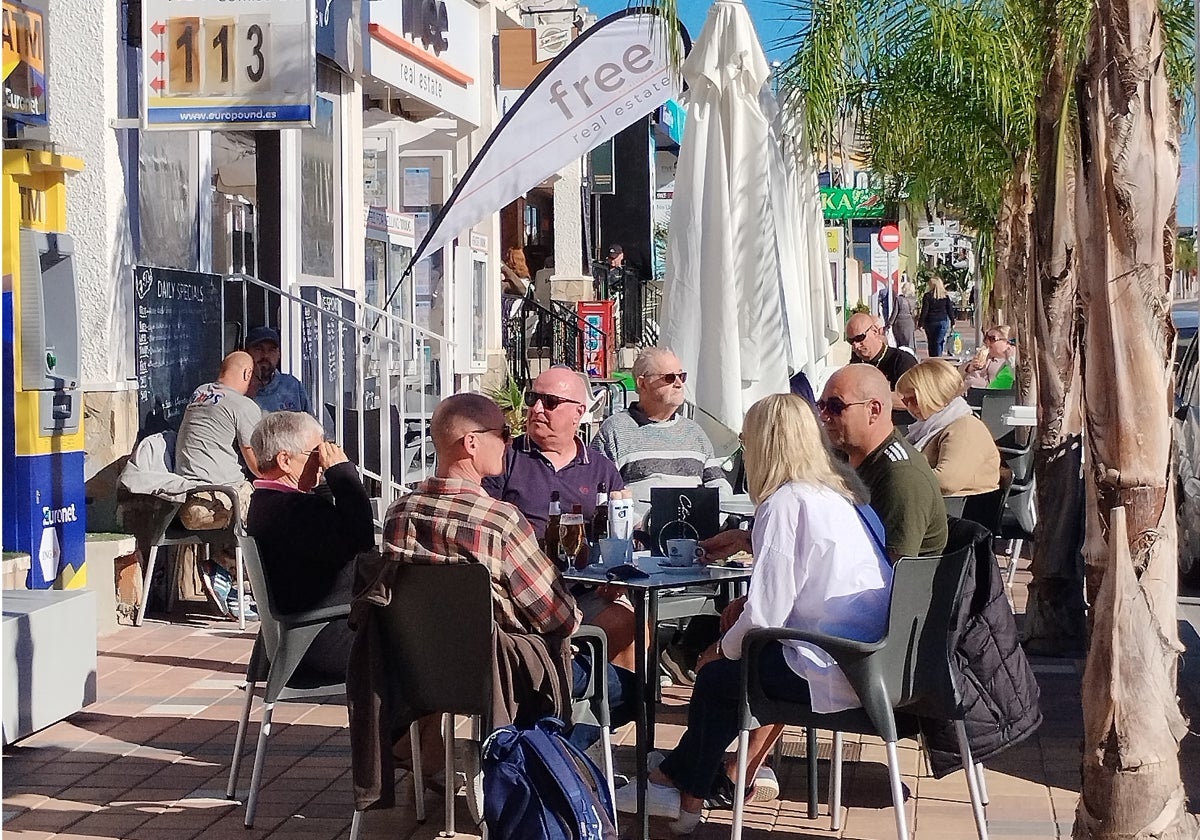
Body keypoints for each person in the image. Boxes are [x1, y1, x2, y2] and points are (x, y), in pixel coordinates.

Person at [616, 393, 894, 832]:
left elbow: (766, 615)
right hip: (878, 660)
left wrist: (720, 650)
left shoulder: (785, 502)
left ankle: (683, 797)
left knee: (718, 675)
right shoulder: (836, 495)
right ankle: (675, 778)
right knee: (731, 671)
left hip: (835, 664)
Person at [375, 393, 629, 746]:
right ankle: (547, 764)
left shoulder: (399, 514)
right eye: (504, 433)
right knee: (629, 691)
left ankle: (516, 757)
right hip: (503, 674)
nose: (510, 443)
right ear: (472, 443)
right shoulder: (499, 521)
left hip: (422, 671)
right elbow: (559, 618)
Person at [482, 367, 632, 668]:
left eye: (550, 402)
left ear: (578, 413)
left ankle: (618, 711)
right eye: (533, 398)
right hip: (521, 593)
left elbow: (621, 533)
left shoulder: (601, 468)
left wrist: (618, 575)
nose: (537, 409)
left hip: (584, 588)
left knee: (628, 623)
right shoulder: (505, 459)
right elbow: (487, 525)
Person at [245, 411, 374, 676]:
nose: (322, 463)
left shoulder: (266, 502)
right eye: (315, 455)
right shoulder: (295, 510)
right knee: (415, 644)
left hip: (297, 639)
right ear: (285, 460)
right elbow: (362, 540)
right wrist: (342, 474)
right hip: (319, 643)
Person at [819, 365, 948, 560]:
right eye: (821, 405)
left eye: (836, 407)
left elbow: (894, 572)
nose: (824, 415)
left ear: (873, 410)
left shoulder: (901, 476)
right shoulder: (843, 455)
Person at [593, 346, 732, 520]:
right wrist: (639, 527)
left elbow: (718, 484)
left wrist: (712, 519)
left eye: (681, 376)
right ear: (642, 383)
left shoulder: (694, 432)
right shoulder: (614, 430)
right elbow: (600, 492)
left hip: (695, 536)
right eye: (669, 377)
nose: (679, 384)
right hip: (640, 539)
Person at [174, 351, 263, 530]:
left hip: (184, 500)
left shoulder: (199, 393)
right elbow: (257, 466)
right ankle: (230, 557)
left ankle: (222, 557)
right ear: (247, 373)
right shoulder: (243, 405)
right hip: (218, 501)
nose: (256, 387)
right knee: (269, 508)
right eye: (256, 378)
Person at [896, 360, 1001, 497]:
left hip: (956, 510)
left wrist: (894, 477)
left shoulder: (965, 428)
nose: (909, 407)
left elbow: (947, 482)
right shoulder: (929, 427)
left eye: (914, 400)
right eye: (905, 401)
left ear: (933, 394)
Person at [245, 326, 312, 414]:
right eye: (259, 349)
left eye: (271, 350)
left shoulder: (292, 386)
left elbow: (312, 424)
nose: (265, 355)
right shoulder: (239, 389)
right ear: (246, 353)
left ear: (279, 354)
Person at [845, 311, 917, 390]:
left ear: (875, 331)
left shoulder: (902, 361)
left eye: (860, 338)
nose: (855, 346)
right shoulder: (855, 364)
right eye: (851, 341)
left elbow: (910, 397)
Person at [962, 325, 1018, 389]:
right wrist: (969, 368)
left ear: (1007, 341)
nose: (987, 342)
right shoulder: (987, 357)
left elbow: (1019, 377)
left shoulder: (1013, 362)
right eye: (986, 338)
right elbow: (958, 374)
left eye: (992, 339)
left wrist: (1010, 359)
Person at [918, 276, 956, 357]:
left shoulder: (927, 296)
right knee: (939, 342)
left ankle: (932, 359)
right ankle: (938, 359)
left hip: (930, 322)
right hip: (942, 321)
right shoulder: (945, 296)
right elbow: (950, 309)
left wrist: (920, 324)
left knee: (931, 342)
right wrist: (953, 321)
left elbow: (924, 311)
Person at [893, 280, 918, 350]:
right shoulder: (914, 300)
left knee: (899, 342)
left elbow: (895, 312)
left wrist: (889, 323)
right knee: (910, 342)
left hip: (898, 322)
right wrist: (916, 323)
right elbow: (915, 313)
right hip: (909, 322)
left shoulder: (899, 299)